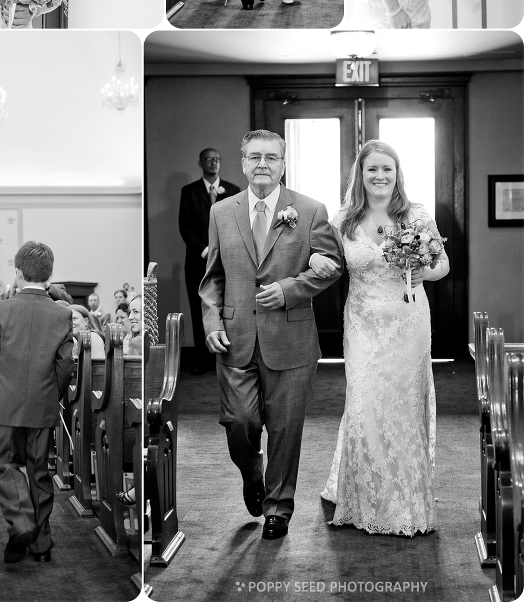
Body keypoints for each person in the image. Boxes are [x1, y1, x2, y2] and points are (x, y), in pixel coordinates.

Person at [199, 130, 343, 541]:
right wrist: (211, 324)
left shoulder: (310, 210)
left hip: (292, 338)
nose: (263, 164)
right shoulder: (222, 212)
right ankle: (251, 469)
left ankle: (279, 508)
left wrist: (290, 289)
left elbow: (330, 265)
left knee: (285, 427)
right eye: (254, 157)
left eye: (271, 158)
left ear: (283, 164)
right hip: (235, 336)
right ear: (242, 162)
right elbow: (212, 279)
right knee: (240, 422)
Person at [312, 141, 449, 535]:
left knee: (403, 408)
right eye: (372, 169)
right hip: (363, 325)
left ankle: (405, 499)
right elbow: (322, 256)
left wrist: (425, 271)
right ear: (360, 174)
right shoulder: (343, 220)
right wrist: (312, 259)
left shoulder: (416, 214)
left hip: (408, 322)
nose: (380, 176)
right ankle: (366, 497)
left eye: (387, 169)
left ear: (397, 172)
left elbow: (442, 263)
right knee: (363, 403)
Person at [0, 241, 74, 564]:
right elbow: (65, 366)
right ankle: (41, 542)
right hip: (43, 405)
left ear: (17, 273)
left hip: (4, 405)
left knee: (4, 464)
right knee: (39, 471)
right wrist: (52, 397)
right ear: (48, 275)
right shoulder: (62, 315)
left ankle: (21, 524)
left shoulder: (1, 311)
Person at [179, 148, 240, 374]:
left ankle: (228, 355)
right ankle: (203, 359)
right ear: (200, 163)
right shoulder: (189, 192)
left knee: (229, 306)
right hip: (197, 261)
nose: (213, 163)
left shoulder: (233, 191)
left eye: (216, 159)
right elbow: (185, 226)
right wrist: (205, 250)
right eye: (208, 159)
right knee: (199, 308)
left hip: (228, 261)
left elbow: (239, 225)